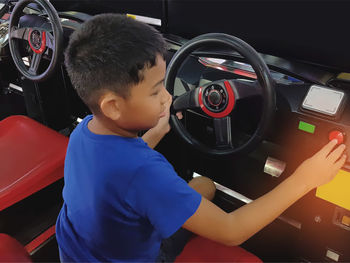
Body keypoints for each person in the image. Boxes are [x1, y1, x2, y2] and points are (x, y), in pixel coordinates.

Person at [56, 13, 347, 262]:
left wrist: (156, 131)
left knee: (203, 186)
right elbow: (232, 231)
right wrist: (306, 178)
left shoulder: (86, 131)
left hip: (78, 250)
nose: (168, 97)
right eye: (157, 91)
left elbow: (116, 173)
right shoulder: (143, 171)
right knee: (205, 186)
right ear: (114, 106)